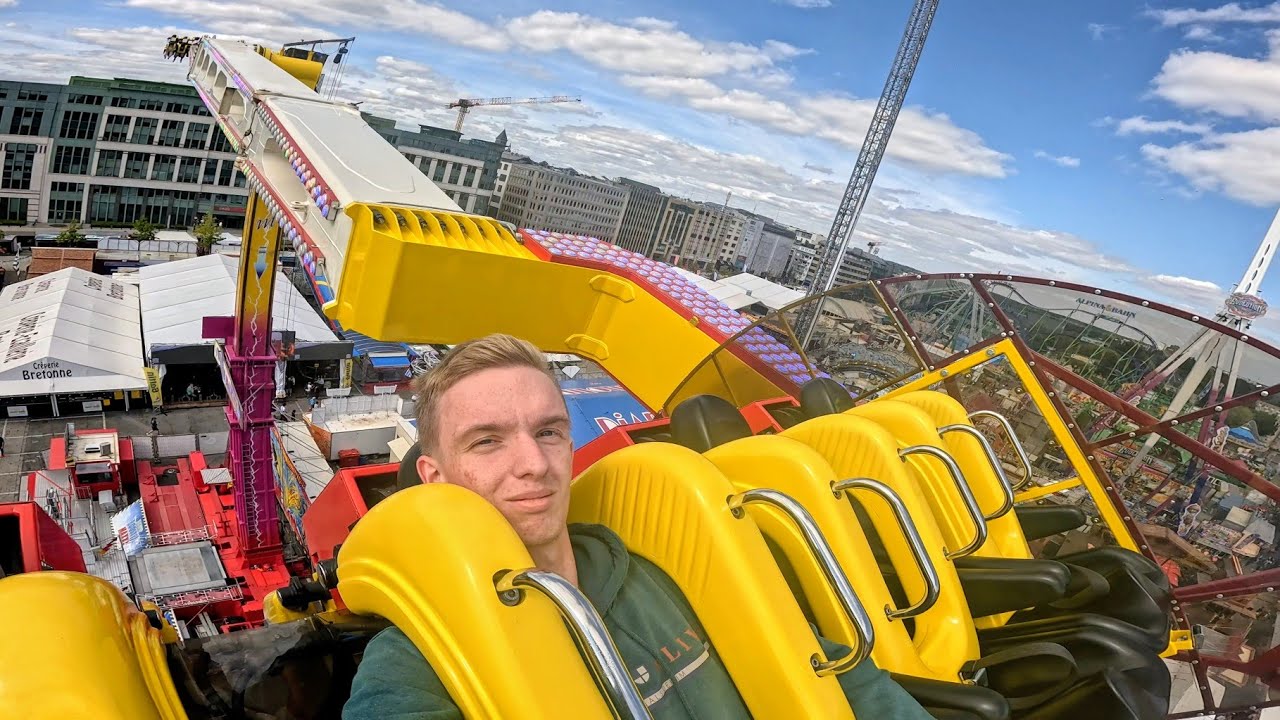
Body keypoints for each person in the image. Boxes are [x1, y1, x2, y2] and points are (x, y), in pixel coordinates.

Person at [344, 334, 931, 719]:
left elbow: (838, 676)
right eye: (487, 442)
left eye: (548, 432)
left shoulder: (665, 568)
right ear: (435, 476)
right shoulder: (415, 663)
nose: (534, 463)